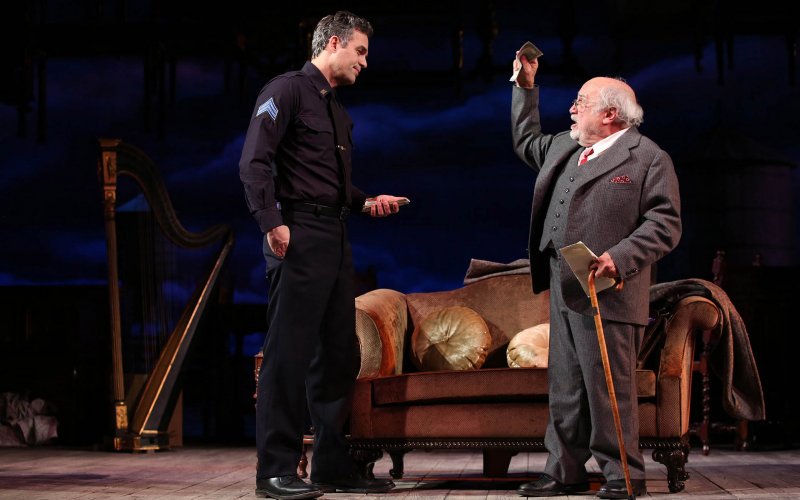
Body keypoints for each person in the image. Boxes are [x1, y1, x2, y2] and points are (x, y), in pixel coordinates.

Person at [239, 11, 406, 500]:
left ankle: (333, 467)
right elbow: (254, 161)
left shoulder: (334, 108)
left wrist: (364, 201)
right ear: (334, 43)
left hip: (334, 234)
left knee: (338, 353)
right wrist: (270, 221)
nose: (364, 62)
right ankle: (275, 470)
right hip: (297, 233)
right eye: (360, 51)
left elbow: (327, 182)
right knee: (288, 353)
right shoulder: (286, 91)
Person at [510, 50, 681, 499]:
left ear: (609, 114)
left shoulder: (647, 158)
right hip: (564, 282)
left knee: (608, 388)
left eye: (581, 102)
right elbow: (525, 140)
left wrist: (619, 257)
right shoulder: (565, 147)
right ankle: (563, 472)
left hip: (610, 288)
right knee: (565, 386)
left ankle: (623, 475)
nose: (572, 108)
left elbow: (665, 224)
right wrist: (525, 87)